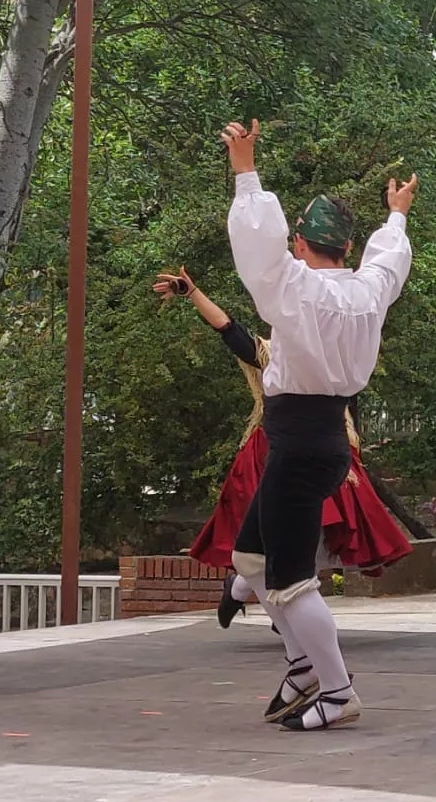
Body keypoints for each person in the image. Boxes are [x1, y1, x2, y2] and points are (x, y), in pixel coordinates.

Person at [222, 119, 414, 732]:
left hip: (301, 443)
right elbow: (391, 260)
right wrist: (396, 215)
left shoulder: (294, 289)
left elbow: (258, 253)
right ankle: (306, 665)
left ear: (301, 243)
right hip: (323, 440)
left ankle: (335, 688)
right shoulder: (367, 292)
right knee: (249, 558)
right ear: (348, 249)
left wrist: (246, 171)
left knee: (290, 579)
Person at [154, 267, 413, 628]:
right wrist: (193, 292)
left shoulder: (336, 347)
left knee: (326, 529)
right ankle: (261, 595)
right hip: (274, 449)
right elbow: (227, 329)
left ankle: (262, 594)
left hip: (328, 444)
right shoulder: (269, 352)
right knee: (267, 538)